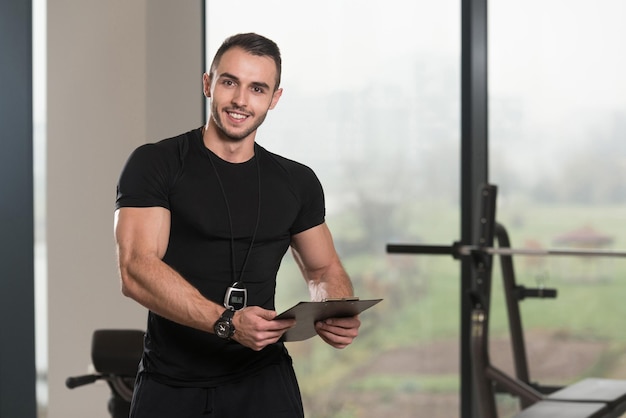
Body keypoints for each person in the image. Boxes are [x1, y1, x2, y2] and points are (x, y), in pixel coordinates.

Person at [114, 32, 361, 417]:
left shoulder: (297, 182)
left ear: (274, 99)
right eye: (230, 82)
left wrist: (334, 308)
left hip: (263, 380)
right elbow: (135, 269)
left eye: (257, 88)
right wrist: (226, 322)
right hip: (172, 383)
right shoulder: (156, 163)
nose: (241, 101)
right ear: (208, 83)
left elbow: (323, 268)